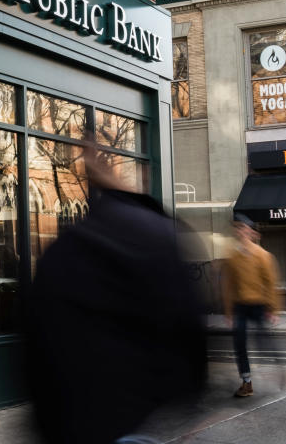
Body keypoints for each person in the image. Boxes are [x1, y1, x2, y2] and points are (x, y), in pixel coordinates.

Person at [25, 146, 207, 444]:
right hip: (134, 416)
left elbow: (35, 342)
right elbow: (187, 330)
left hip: (67, 418)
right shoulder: (158, 236)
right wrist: (187, 393)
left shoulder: (63, 246)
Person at [221, 212, 281, 398]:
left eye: (244, 228)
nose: (240, 232)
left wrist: (273, 309)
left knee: (263, 342)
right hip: (240, 306)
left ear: (251, 232)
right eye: (237, 228)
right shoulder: (232, 257)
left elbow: (270, 283)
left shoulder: (263, 256)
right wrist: (229, 311)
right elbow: (228, 286)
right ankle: (247, 382)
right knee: (239, 343)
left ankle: (279, 368)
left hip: (258, 305)